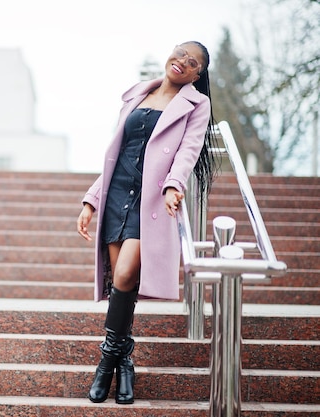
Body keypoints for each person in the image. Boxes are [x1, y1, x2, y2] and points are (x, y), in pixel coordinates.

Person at [76, 41, 219, 405]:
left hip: (152, 201)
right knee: (119, 284)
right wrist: (92, 200)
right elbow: (115, 154)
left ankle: (107, 362)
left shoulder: (196, 105)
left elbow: (188, 149)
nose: (182, 62)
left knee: (125, 275)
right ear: (169, 53)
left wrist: (174, 186)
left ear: (197, 75)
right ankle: (125, 362)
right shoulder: (138, 95)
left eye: (192, 62)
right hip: (117, 194)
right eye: (180, 53)